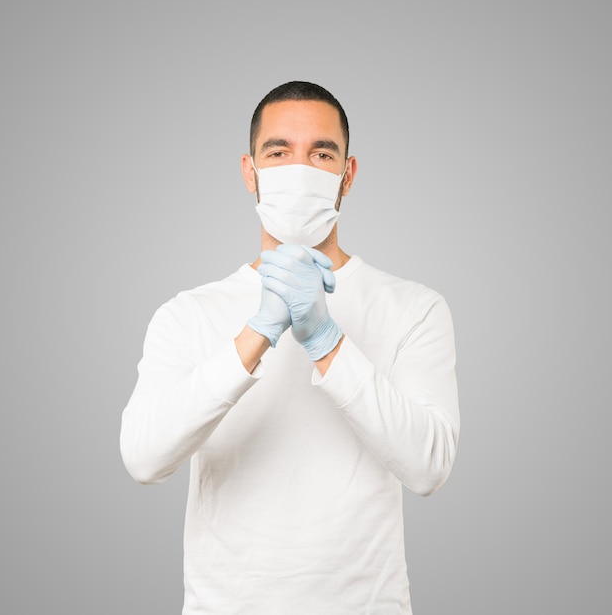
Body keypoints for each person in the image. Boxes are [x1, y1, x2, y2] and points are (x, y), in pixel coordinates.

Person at [120, 81, 460, 614]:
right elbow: (144, 458)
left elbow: (429, 466)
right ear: (249, 171)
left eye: (321, 153)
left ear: (347, 174)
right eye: (278, 152)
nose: (299, 169)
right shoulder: (188, 313)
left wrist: (327, 340)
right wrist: (257, 332)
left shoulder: (414, 307)